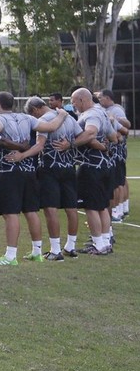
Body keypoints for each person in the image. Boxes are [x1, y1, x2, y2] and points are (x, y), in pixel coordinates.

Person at [0, 91, 69, 266]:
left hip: (10, 172)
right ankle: (37, 252)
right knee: (31, 211)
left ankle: (10, 255)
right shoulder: (27, 118)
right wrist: (61, 113)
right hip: (30, 171)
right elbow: (51, 126)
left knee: (11, 214)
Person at [25, 96, 82, 260]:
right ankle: (71, 246)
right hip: (69, 167)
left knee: (50, 209)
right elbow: (81, 136)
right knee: (71, 207)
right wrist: (69, 145)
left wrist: (23, 155)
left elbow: (40, 146)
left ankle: (55, 250)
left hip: (49, 168)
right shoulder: (70, 118)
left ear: (35, 110)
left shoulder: (43, 121)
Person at [70, 88, 118, 255]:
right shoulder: (102, 112)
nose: (72, 104)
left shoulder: (91, 115)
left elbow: (90, 132)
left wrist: (70, 144)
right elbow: (114, 137)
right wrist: (104, 145)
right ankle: (105, 242)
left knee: (91, 207)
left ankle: (98, 244)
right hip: (105, 166)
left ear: (82, 100)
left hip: (91, 166)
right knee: (102, 206)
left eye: (73, 101)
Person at [97, 89, 130, 223]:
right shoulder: (110, 109)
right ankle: (123, 208)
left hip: (116, 150)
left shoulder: (115, 110)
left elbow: (126, 127)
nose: (99, 100)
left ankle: (117, 211)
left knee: (117, 181)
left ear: (108, 98)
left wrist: (114, 119)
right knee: (121, 179)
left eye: (101, 98)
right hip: (117, 149)